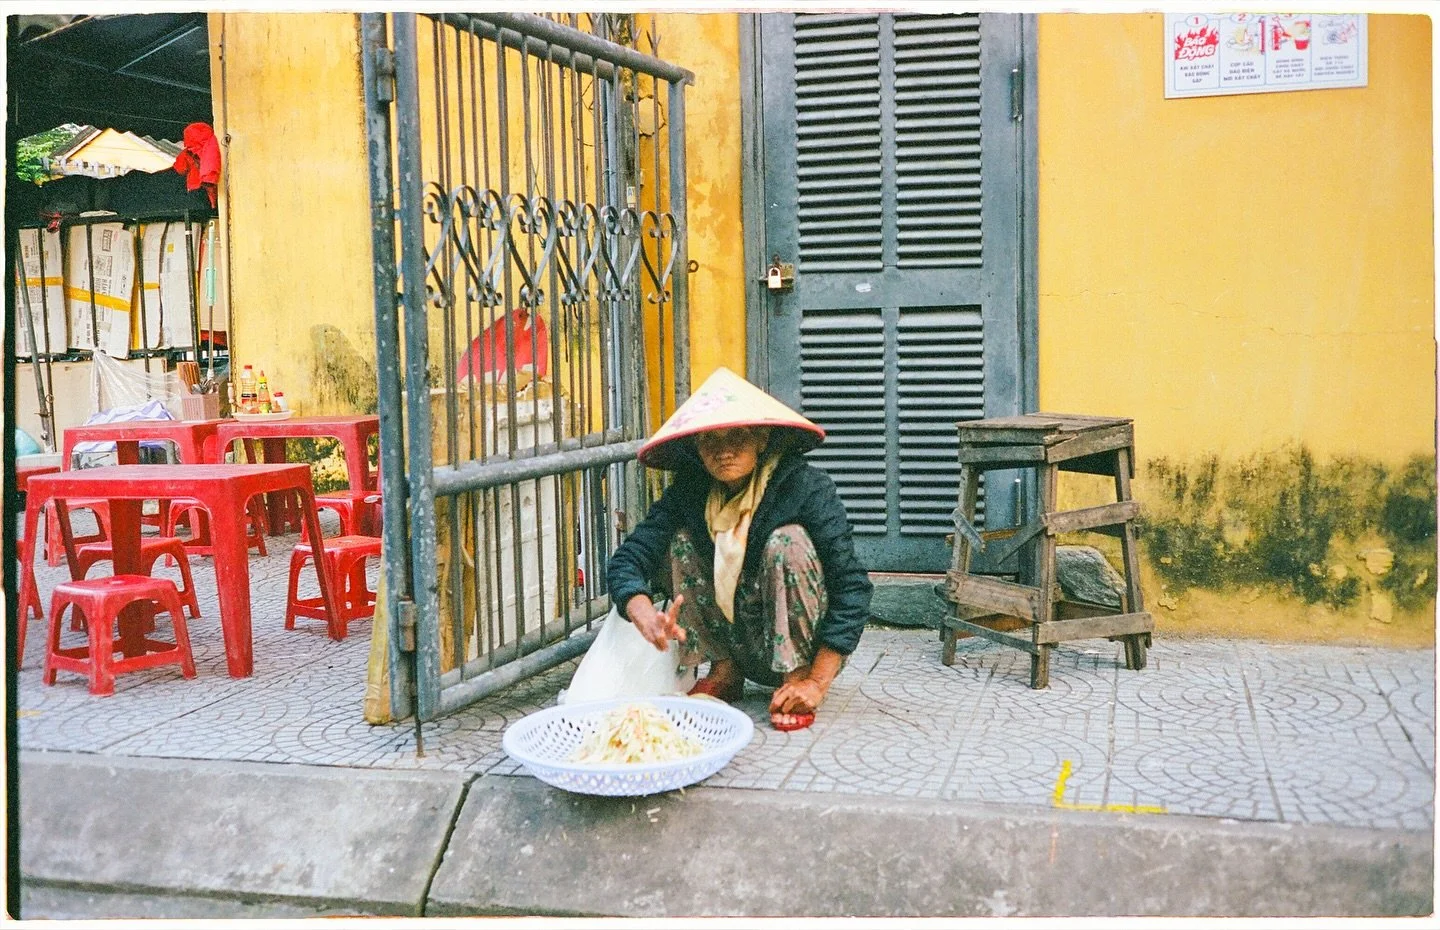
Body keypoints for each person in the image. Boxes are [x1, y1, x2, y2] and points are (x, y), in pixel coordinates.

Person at [607, 367, 872, 731]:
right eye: (710, 441)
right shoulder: (691, 490)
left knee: (786, 541)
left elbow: (852, 585)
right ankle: (725, 668)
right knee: (680, 539)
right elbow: (631, 556)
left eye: (738, 438)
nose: (724, 452)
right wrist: (643, 613)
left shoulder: (805, 486)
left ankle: (795, 677)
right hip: (739, 639)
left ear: (762, 438)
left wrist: (818, 681)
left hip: (804, 646)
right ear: (697, 448)